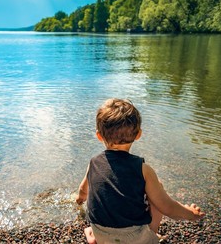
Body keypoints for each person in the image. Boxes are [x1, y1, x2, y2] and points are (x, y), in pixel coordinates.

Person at [76, 98, 205, 244]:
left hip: (101, 233)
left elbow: (83, 191)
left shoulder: (93, 163)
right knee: (158, 188)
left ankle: (92, 235)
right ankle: (152, 235)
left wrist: (79, 201)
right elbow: (167, 207)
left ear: (99, 136)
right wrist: (190, 214)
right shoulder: (143, 169)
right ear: (138, 134)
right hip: (135, 238)